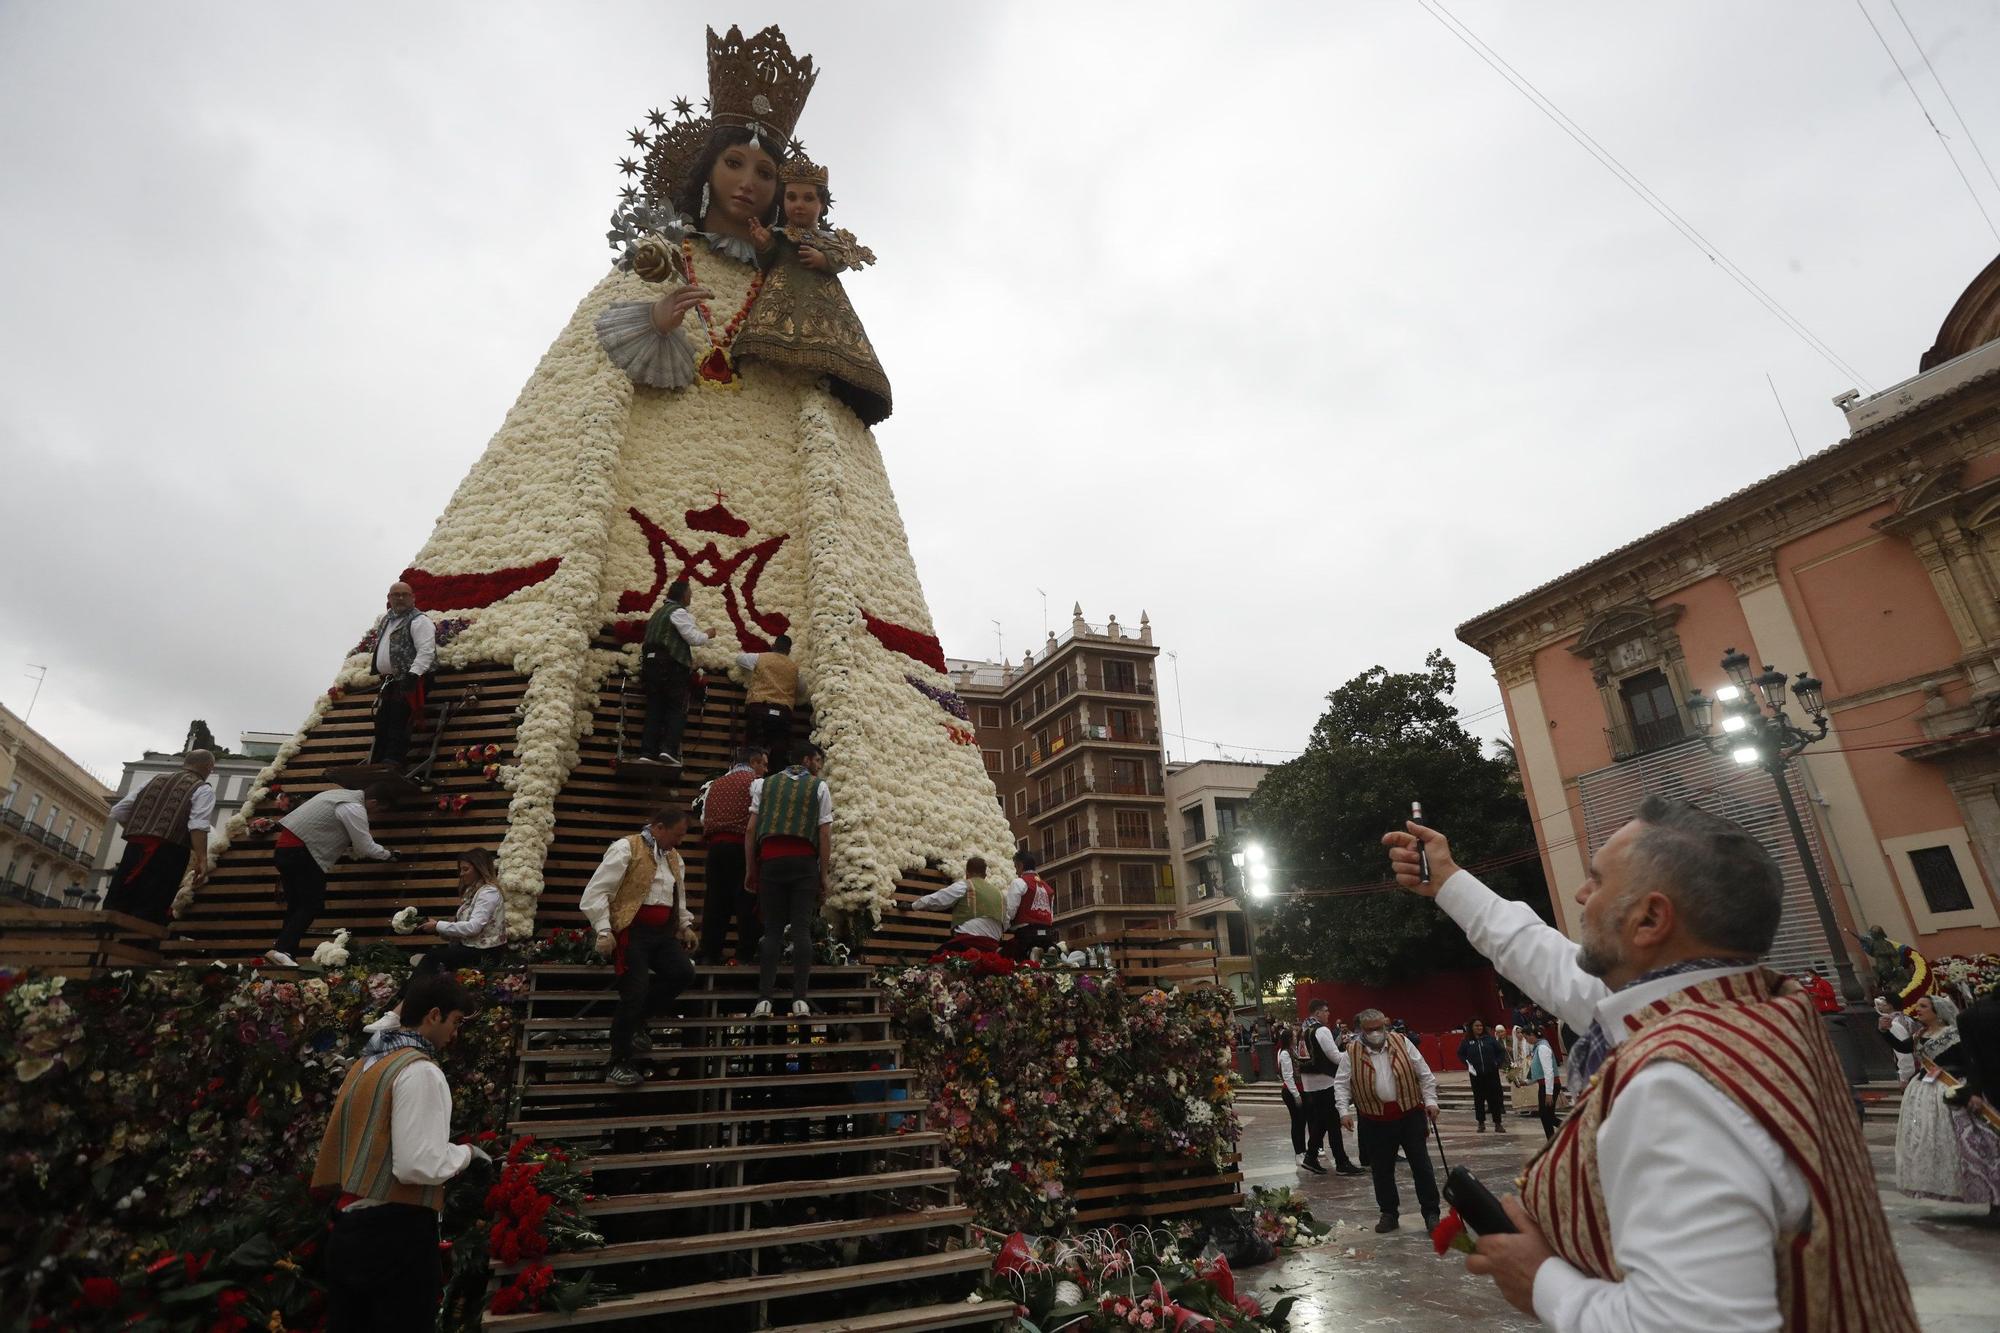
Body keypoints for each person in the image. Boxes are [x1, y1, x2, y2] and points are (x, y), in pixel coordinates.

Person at [1384, 800, 1918, 1330]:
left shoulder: (1674, 1080)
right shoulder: (1758, 1005)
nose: (1580, 895)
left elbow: (1695, 1324)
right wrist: (1449, 880)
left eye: (1596, 881)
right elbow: (1551, 964)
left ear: (1651, 918)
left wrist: (1541, 1280)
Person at [312, 970, 487, 1332]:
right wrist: (467, 1154)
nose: (455, 1034)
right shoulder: (419, 1070)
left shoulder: (369, 1062)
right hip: (394, 1237)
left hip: (348, 1231)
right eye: (455, 1021)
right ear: (434, 1015)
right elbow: (417, 1165)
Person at [737, 154, 889, 424]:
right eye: (792, 197)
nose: (799, 205)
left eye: (808, 198)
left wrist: (824, 260)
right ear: (783, 201)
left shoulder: (829, 240)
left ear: (821, 204)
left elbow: (842, 258)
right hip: (782, 295)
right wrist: (763, 244)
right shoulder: (780, 233)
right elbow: (768, 261)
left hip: (823, 301)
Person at [581, 806, 699, 1086]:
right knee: (635, 990)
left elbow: (677, 895)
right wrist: (604, 930)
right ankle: (618, 1062)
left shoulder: (674, 858)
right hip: (631, 931)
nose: (679, 842)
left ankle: (637, 1023)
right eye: (677, 835)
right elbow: (597, 891)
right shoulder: (626, 848)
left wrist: (684, 925)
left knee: (683, 972)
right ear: (659, 828)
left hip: (661, 934)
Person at [266, 783, 400, 968]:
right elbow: (365, 846)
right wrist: (389, 854)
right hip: (303, 853)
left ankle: (286, 953)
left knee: (296, 906)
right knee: (312, 904)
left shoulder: (336, 794)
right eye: (378, 809)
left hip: (284, 850)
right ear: (373, 801)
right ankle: (282, 950)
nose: (376, 814)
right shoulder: (353, 806)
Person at [1336, 1008, 1442, 1232]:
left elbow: (1424, 1073)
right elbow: (1342, 1083)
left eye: (1378, 1028)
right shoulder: (1351, 1052)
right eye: (1370, 1030)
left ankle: (1431, 1212)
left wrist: (1431, 1102)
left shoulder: (1402, 1042)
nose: (1375, 1033)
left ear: (1385, 1026)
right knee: (1382, 1169)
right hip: (1374, 1119)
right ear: (1361, 1030)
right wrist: (1343, 1111)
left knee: (1421, 1166)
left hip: (1409, 1114)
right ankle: (1388, 1213)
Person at [746, 743, 831, 1019]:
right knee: (801, 929)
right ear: (806, 761)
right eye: (816, 760)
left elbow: (750, 830)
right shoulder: (819, 787)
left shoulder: (763, 785)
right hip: (804, 862)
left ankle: (764, 1000)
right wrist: (824, 875)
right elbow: (825, 835)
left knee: (771, 931)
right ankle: (800, 1000)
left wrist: (751, 868)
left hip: (771, 861)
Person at [104, 749, 215, 925]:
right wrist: (202, 858)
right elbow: (198, 825)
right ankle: (137, 947)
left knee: (120, 896)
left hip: (135, 846)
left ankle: (104, 938)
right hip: (170, 852)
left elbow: (119, 811)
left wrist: (143, 829)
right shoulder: (202, 789)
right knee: (152, 903)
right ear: (209, 767)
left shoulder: (154, 780)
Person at [696, 747, 767, 965]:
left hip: (715, 849)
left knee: (715, 902)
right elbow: (759, 819)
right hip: (740, 847)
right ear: (753, 762)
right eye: (764, 764)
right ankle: (745, 954)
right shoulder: (756, 784)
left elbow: (703, 819)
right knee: (746, 901)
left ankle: (709, 952)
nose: (766, 769)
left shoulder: (714, 784)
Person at [640, 580, 709, 766]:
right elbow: (693, 638)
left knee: (654, 708)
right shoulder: (677, 612)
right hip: (670, 666)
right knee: (676, 708)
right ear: (683, 595)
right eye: (690, 593)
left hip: (650, 666)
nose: (691, 596)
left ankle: (647, 752)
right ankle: (668, 750)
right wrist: (708, 635)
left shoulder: (657, 614)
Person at [368, 581, 436, 768]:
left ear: (413, 597)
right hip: (391, 680)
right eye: (395, 595)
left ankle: (393, 761)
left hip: (412, 679)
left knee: (400, 719)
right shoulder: (386, 620)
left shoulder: (419, 620)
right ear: (389, 598)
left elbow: (426, 651)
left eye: (404, 594)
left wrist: (413, 675)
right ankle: (379, 760)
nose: (400, 598)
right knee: (383, 720)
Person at [1297, 998, 1363, 1177]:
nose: (1329, 1014)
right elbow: (1334, 1056)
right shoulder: (1321, 1030)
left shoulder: (1304, 1030)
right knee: (1331, 1122)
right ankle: (1341, 1162)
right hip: (1325, 1082)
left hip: (1310, 1084)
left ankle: (1312, 1156)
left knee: (1324, 1122)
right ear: (1317, 1013)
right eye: (1326, 1011)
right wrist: (1353, 1053)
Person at [413, 848, 507, 974]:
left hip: (485, 952)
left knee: (432, 958)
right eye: (460, 869)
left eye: (465, 869)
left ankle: (406, 994)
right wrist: (437, 928)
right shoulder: (472, 891)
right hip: (471, 948)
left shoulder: (488, 893)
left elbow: (473, 928)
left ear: (479, 869)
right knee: (433, 957)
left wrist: (438, 925)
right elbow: (464, 927)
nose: (461, 874)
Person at [910, 855, 1015, 958]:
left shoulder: (966, 885)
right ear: (985, 875)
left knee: (936, 960)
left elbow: (938, 899)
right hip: (992, 945)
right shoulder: (1000, 895)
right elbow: (1005, 923)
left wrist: (913, 906)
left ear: (967, 873)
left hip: (967, 942)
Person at [734, 636, 800, 770]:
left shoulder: (761, 658)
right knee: (778, 752)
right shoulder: (794, 668)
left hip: (759, 709)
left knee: (753, 748)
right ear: (789, 650)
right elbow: (802, 688)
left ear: (774, 645)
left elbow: (739, 659)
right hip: (783, 714)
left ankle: (749, 777)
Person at [1001, 850, 1058, 961]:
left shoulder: (1019, 882)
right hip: (1047, 933)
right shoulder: (1048, 888)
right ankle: (1049, 949)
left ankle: (1032, 952)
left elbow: (1010, 912)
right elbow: (1050, 917)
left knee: (1003, 946)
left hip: (1025, 934)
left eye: (1016, 867)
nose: (1016, 872)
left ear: (1021, 865)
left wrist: (1004, 929)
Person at [1458, 1017, 1509, 1134]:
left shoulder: (1490, 1040)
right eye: (1476, 1026)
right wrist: (1468, 1064)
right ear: (1472, 1027)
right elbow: (1460, 1054)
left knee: (1494, 1099)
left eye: (1481, 1026)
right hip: (1476, 1075)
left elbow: (1501, 1051)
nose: (1479, 1028)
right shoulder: (1466, 1041)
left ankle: (1498, 1123)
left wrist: (1497, 1063)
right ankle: (1481, 1123)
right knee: (1479, 1099)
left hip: (1492, 1074)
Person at [1275, 1025, 1308, 1160]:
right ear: (1289, 1039)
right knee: (1297, 1121)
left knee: (1302, 1121)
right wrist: (1296, 1095)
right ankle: (1298, 1151)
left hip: (1299, 1088)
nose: (1296, 1038)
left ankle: (1303, 1149)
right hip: (1291, 1091)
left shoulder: (1293, 1050)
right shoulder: (1284, 1053)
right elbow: (1287, 1076)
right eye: (1294, 1036)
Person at [1877, 994, 1920, 1084]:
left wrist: (1904, 1077)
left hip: (1912, 1072)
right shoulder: (1908, 1019)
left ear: (1890, 1005)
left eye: (1883, 1004)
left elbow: (1903, 1053)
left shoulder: (1893, 1023)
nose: (1880, 1007)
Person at [1528, 1025, 1562, 1141]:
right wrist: (1526, 1082)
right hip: (1545, 1085)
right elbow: (1539, 1072)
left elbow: (1548, 1072)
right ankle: (1552, 1140)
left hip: (1549, 1086)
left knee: (1545, 1115)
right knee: (1548, 1116)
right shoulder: (1538, 1047)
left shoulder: (1543, 1048)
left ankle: (1567, 1131)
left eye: (1527, 1037)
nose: (1527, 1040)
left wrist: (1549, 1093)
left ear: (1532, 1035)